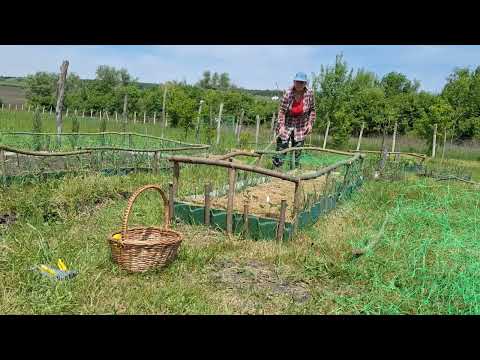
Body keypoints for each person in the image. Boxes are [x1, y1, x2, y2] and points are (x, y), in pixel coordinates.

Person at [273, 72, 316, 168]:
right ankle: (277, 170)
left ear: (305, 83)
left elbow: (312, 110)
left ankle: (294, 171)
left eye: (301, 82)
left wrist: (310, 124)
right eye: (297, 82)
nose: (299, 84)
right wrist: (281, 126)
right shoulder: (288, 94)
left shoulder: (310, 93)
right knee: (281, 148)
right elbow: (282, 111)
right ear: (294, 81)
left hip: (301, 125)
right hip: (287, 123)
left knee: (297, 150)